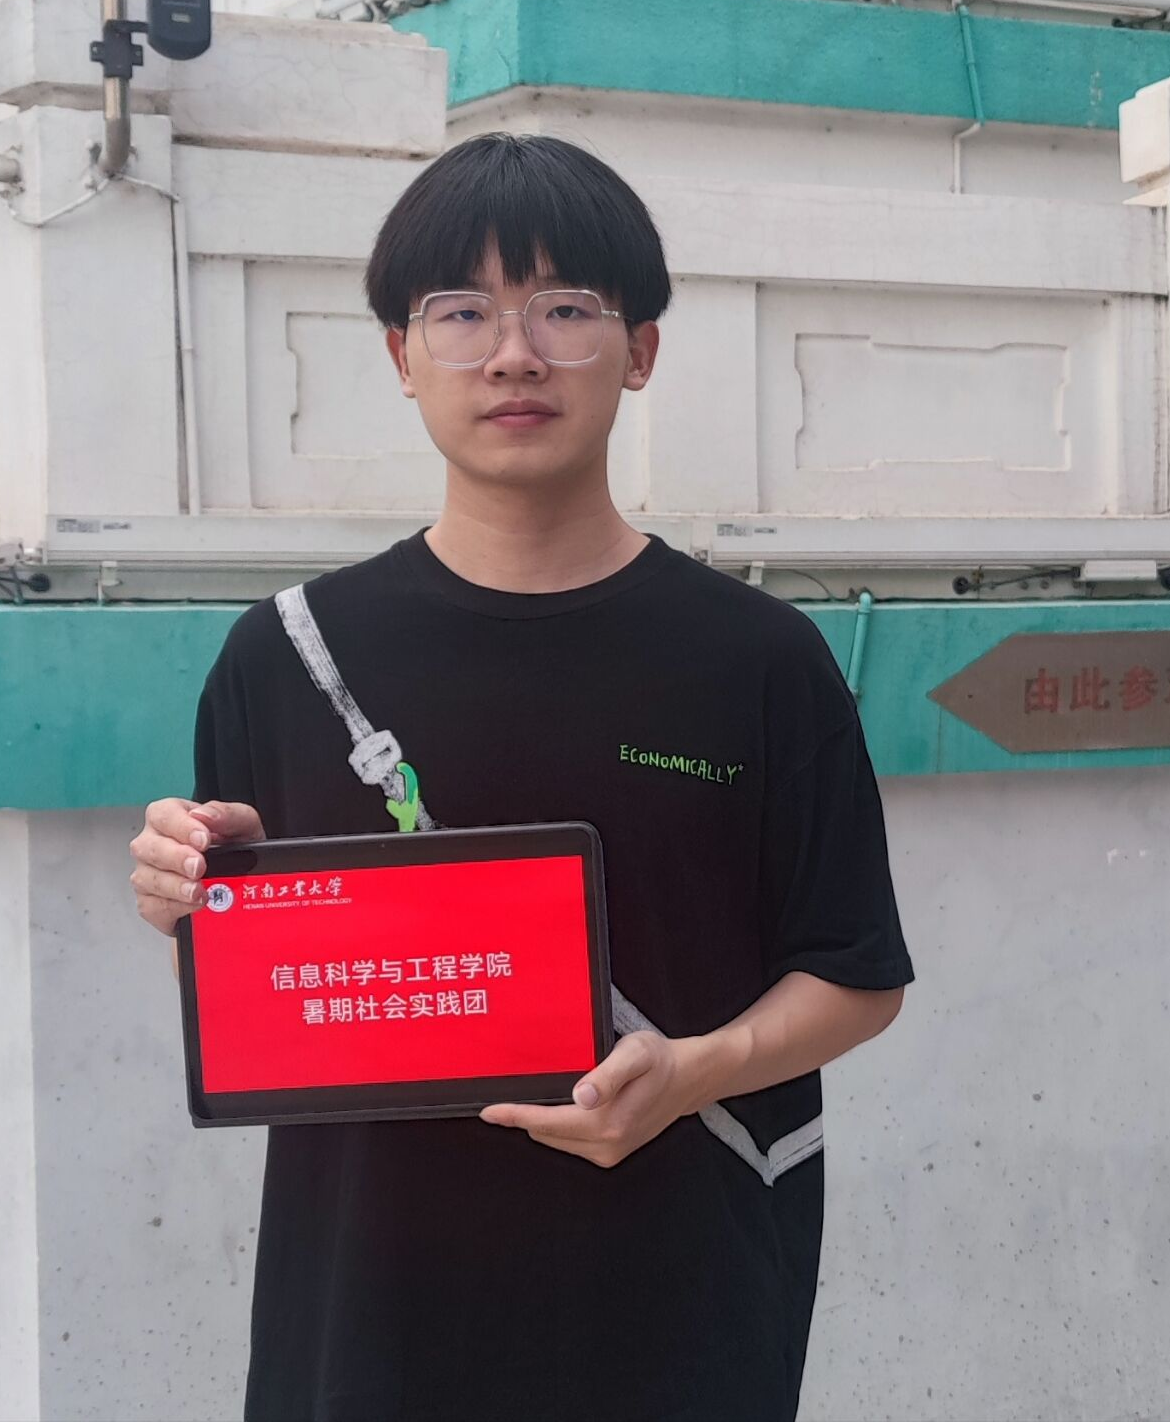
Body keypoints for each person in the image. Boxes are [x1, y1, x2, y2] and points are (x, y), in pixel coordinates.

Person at [125, 133, 914, 1421]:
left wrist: (695, 1071)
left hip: (678, 1289)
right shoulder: (287, 655)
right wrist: (197, 905)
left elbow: (856, 974)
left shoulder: (758, 657)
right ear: (401, 356)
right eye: (462, 313)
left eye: (565, 309)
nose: (513, 354)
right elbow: (259, 1011)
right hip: (371, 1307)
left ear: (639, 350)